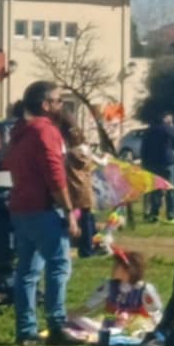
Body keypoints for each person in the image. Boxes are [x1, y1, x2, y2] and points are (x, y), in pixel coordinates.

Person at [3, 80, 80, 346]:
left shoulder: (19, 131)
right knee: (59, 264)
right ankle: (57, 325)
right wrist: (69, 210)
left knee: (27, 270)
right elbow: (54, 173)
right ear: (45, 105)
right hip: (43, 208)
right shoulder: (45, 131)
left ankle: (26, 330)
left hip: (21, 207)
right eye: (58, 101)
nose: (61, 105)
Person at [74, 247, 164, 338]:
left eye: (116, 266)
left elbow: (155, 312)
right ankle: (104, 333)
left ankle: (105, 334)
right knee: (80, 320)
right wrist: (75, 313)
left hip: (135, 323)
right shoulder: (110, 286)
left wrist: (161, 328)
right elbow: (91, 304)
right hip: (112, 321)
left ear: (128, 270)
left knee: (140, 331)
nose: (113, 268)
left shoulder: (144, 289)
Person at [57, 98, 101, 257]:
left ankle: (85, 248)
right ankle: (89, 246)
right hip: (84, 187)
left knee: (81, 216)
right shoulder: (82, 148)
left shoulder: (70, 152)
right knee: (87, 215)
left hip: (74, 186)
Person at [140, 111, 174, 223]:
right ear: (166, 118)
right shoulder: (169, 130)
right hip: (167, 162)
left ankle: (154, 213)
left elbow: (143, 148)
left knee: (155, 189)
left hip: (151, 163)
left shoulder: (149, 131)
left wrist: (144, 162)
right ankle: (171, 214)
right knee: (169, 188)